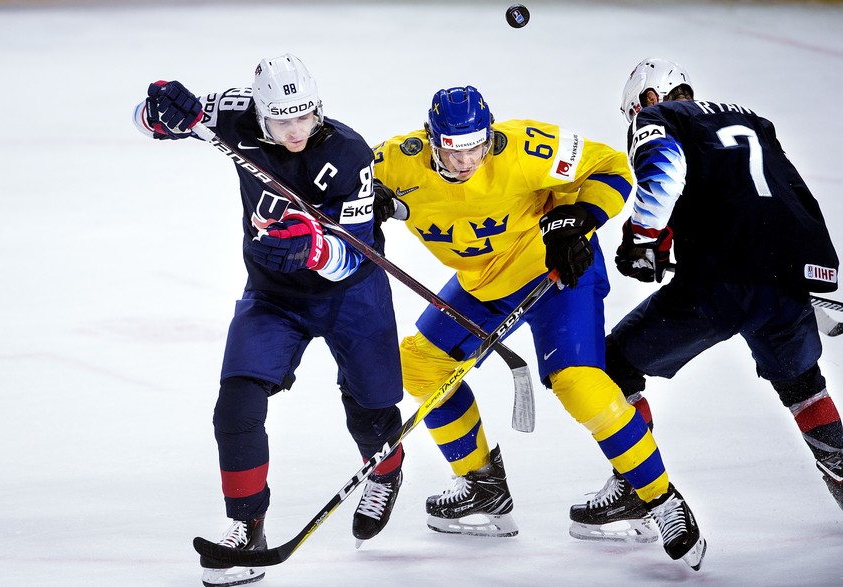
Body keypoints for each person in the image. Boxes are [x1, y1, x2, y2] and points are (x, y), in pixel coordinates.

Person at [372, 85, 707, 570]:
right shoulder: (394, 163)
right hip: (483, 281)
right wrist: (363, 205)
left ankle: (659, 499)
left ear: (489, 136)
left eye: (476, 147)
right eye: (452, 149)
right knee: (419, 365)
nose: (466, 161)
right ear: (431, 140)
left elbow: (613, 167)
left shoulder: (529, 146)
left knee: (579, 384)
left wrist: (578, 219)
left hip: (559, 271)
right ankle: (483, 487)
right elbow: (335, 180)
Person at [133, 54, 406, 586]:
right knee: (235, 406)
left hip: (351, 295)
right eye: (282, 121)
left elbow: (355, 254)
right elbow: (148, 121)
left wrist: (313, 250)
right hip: (272, 296)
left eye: (304, 117)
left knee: (370, 410)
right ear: (259, 114)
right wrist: (160, 110)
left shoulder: (350, 153)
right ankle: (246, 526)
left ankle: (386, 470)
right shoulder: (234, 115)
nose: (295, 131)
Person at [568, 57, 842, 544]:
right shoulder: (751, 120)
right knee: (803, 385)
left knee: (612, 366)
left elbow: (664, 175)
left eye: (635, 112)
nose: (636, 122)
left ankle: (637, 487)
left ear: (648, 100)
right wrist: (811, 274)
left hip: (723, 283)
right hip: (787, 272)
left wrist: (642, 239)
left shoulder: (661, 118)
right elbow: (786, 195)